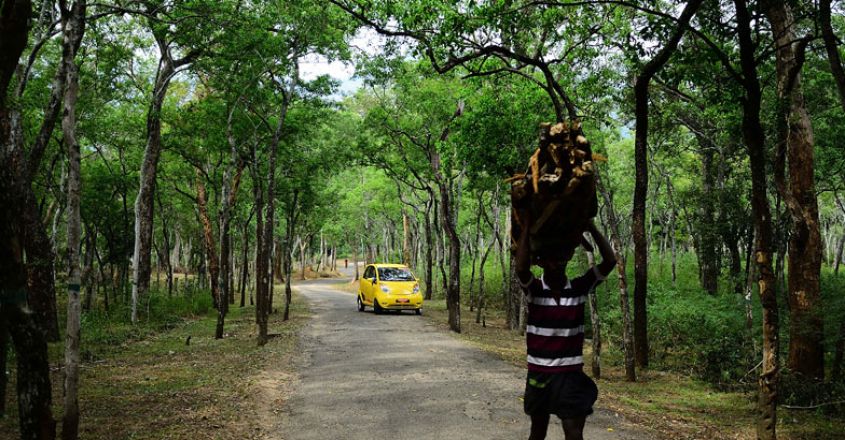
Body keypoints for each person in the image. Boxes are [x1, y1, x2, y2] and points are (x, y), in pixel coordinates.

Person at [515, 214, 617, 440]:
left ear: (568, 258)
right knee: (537, 432)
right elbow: (521, 269)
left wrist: (590, 226)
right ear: (540, 262)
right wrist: (528, 225)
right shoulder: (535, 291)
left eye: (561, 258)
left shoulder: (579, 288)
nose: (557, 263)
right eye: (550, 259)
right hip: (539, 373)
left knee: (573, 433)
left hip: (570, 376)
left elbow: (610, 261)